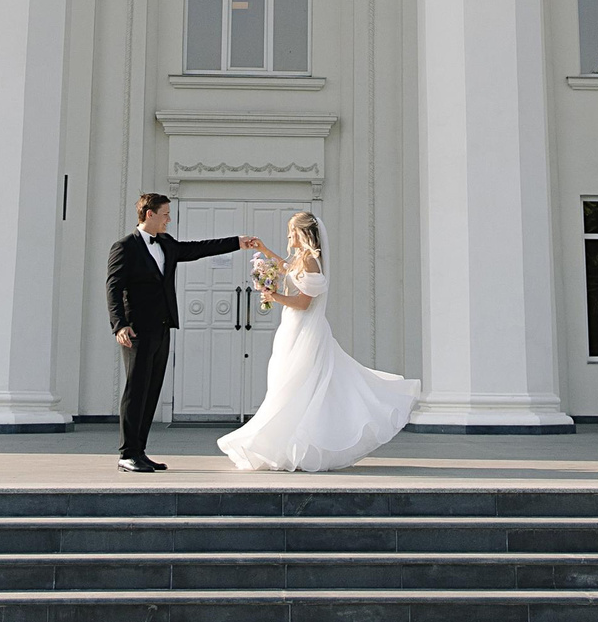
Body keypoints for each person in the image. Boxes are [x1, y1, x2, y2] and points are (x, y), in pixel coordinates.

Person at [218, 210, 418, 473]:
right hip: (291, 329)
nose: (288, 236)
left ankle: (292, 446)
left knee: (295, 386)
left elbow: (303, 303)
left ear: (301, 233)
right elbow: (287, 269)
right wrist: (265, 251)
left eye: (291, 231)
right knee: (285, 384)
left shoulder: (312, 261)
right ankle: (285, 445)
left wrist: (273, 296)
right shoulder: (302, 258)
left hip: (305, 332)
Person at [105, 192, 265, 473]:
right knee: (136, 390)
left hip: (162, 326)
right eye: (165, 214)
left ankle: (139, 452)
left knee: (151, 391)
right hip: (136, 331)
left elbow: (196, 249)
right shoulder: (125, 247)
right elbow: (113, 288)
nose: (169, 219)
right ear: (150, 214)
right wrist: (120, 325)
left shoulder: (166, 243)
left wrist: (236, 242)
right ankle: (126, 454)